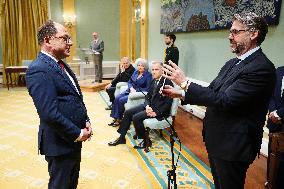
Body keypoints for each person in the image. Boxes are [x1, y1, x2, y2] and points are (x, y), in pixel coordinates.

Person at [162, 12, 276, 189]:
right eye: (230, 31)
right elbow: (212, 91)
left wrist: (185, 83)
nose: (229, 36)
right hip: (217, 140)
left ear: (254, 34)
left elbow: (225, 100)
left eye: (236, 32)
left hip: (233, 146)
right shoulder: (232, 63)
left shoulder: (261, 68)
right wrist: (181, 93)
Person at [26, 20, 93, 189]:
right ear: (48, 40)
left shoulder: (60, 64)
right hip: (60, 141)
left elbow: (75, 97)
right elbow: (49, 113)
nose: (70, 43)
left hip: (72, 140)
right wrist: (77, 132)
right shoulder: (39, 68)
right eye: (65, 38)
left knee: (71, 183)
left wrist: (86, 120)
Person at [108, 61, 173, 148]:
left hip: (158, 111)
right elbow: (147, 97)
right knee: (128, 112)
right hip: (149, 106)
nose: (154, 71)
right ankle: (122, 138)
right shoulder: (153, 81)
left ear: (162, 70)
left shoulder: (167, 83)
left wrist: (156, 113)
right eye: (153, 69)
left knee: (136, 117)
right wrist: (146, 106)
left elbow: (168, 103)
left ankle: (146, 141)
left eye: (156, 69)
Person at [108, 58, 152, 127]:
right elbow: (129, 82)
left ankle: (119, 119)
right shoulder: (136, 72)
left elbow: (148, 89)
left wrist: (136, 90)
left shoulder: (148, 75)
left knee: (121, 100)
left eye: (142, 66)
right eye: (139, 65)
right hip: (129, 91)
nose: (140, 67)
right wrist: (131, 87)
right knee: (117, 98)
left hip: (136, 94)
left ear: (145, 67)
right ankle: (115, 118)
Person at [266, 66, 284, 188]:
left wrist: (279, 114)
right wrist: (273, 112)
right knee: (272, 153)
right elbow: (270, 94)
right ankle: (270, 180)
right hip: (274, 123)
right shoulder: (279, 71)